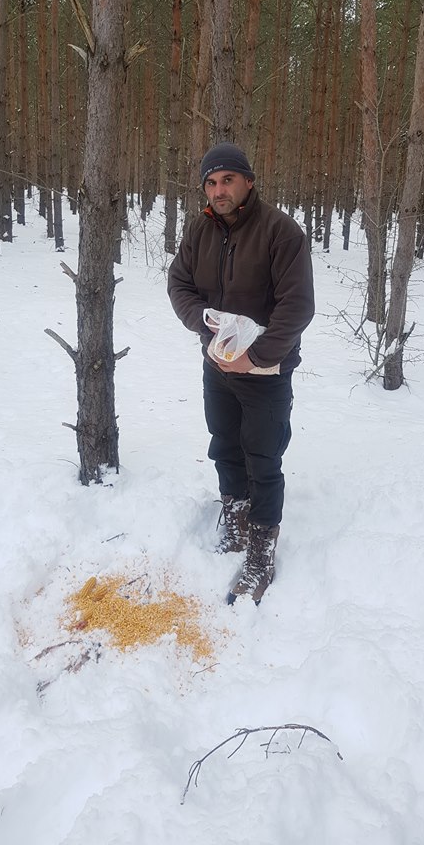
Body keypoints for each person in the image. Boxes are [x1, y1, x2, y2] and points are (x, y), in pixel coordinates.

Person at [167, 142, 314, 604]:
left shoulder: (281, 232)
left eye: (227, 180)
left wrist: (255, 356)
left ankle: (261, 549)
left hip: (265, 371)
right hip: (217, 365)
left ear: (248, 181)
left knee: (263, 457)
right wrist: (205, 323)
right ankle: (234, 510)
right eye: (211, 183)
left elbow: (298, 306)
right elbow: (179, 283)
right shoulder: (200, 229)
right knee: (224, 443)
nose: (218, 190)